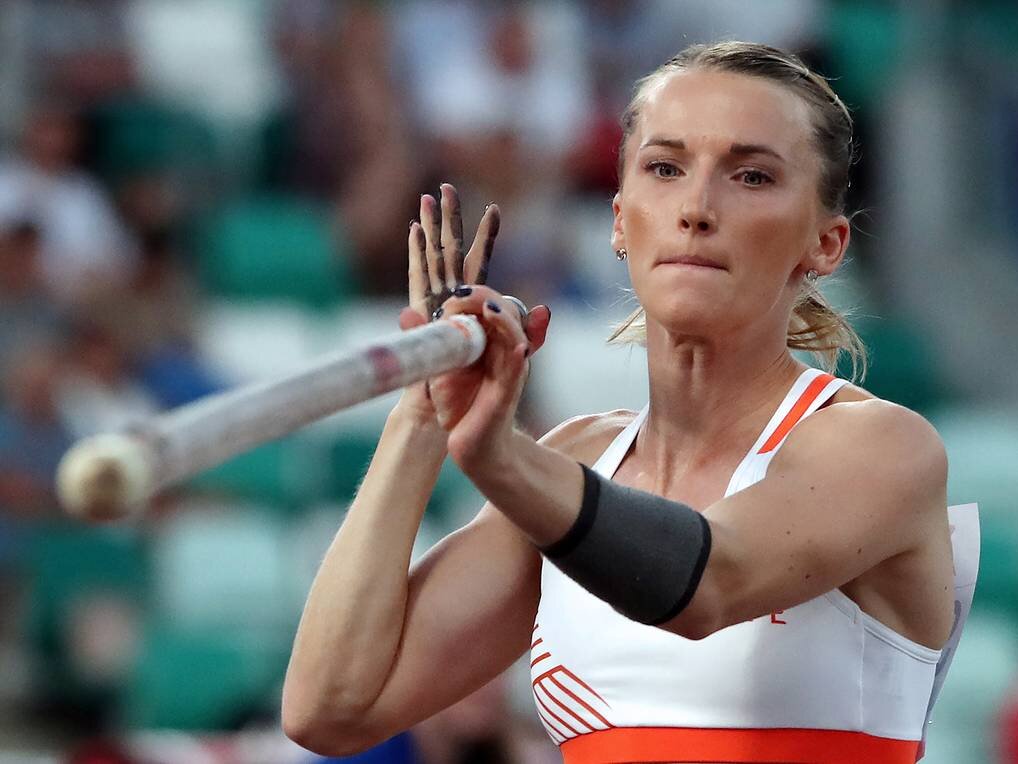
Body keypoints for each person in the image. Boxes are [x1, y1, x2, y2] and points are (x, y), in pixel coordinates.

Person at [283, 41, 956, 764]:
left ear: (825, 245)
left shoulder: (879, 448)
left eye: (752, 176)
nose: (696, 208)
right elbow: (331, 710)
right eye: (665, 169)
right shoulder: (574, 463)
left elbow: (703, 584)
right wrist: (422, 416)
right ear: (618, 220)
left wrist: (500, 457)